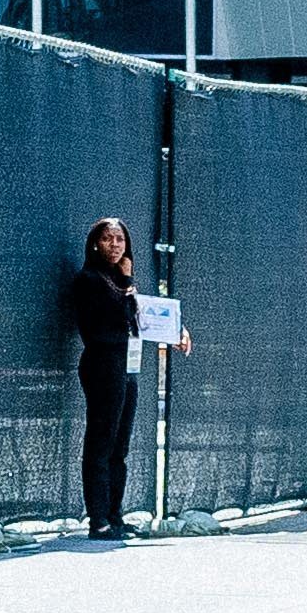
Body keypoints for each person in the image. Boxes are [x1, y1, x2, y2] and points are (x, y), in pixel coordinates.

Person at [71, 217, 189, 540]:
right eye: (108, 239)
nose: (114, 245)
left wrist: (176, 330)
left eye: (120, 239)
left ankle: (115, 513)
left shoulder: (123, 282)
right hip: (102, 364)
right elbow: (111, 316)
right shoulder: (90, 280)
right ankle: (99, 520)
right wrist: (125, 284)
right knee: (101, 441)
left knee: (119, 446)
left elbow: (142, 319)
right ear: (96, 242)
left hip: (127, 366)